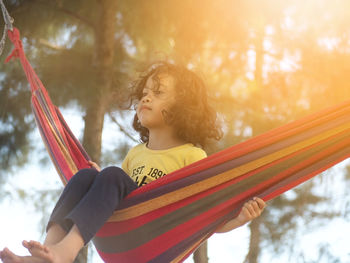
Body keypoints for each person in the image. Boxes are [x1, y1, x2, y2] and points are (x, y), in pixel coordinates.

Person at [0, 62, 266, 263]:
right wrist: (96, 179)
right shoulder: (136, 154)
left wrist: (239, 218)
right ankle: (48, 252)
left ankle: (66, 251)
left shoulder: (192, 156)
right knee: (84, 176)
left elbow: (203, 218)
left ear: (183, 107)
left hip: (157, 241)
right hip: (121, 237)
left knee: (112, 175)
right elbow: (116, 194)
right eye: (145, 92)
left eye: (158, 93)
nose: (146, 98)